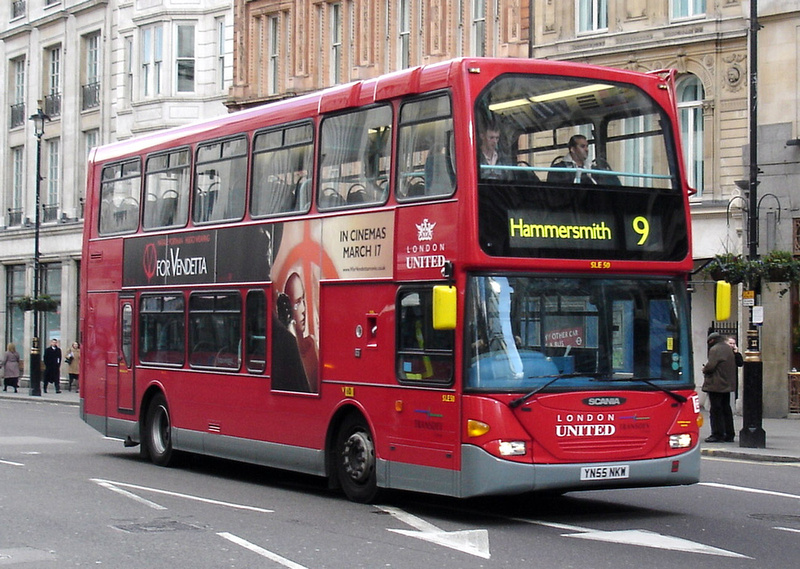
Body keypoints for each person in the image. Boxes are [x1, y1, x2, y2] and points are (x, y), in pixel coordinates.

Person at [285, 272, 319, 391]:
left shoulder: (312, 343)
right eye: (297, 303)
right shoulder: (287, 353)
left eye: (303, 299)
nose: (304, 309)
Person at [702, 332, 736, 443]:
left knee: (716, 410)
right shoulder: (728, 349)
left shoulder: (715, 349)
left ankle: (717, 434)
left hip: (716, 384)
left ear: (712, 341)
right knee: (726, 409)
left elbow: (711, 366)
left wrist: (704, 369)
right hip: (727, 383)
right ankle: (729, 433)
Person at [547, 134, 619, 185]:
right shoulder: (558, 170)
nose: (586, 149)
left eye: (587, 146)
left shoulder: (594, 169)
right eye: (582, 146)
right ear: (572, 149)